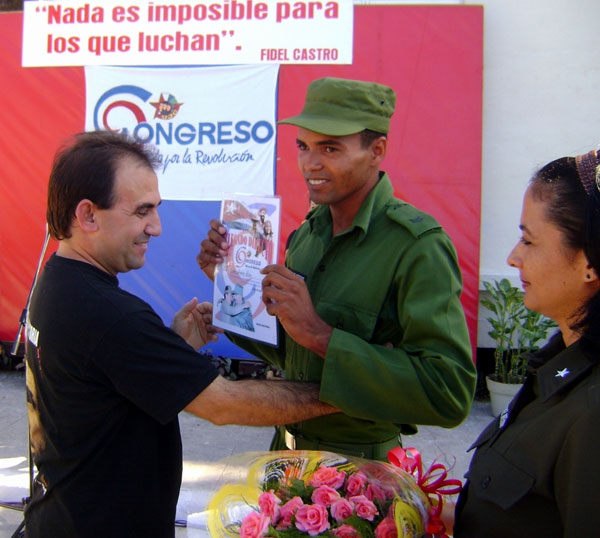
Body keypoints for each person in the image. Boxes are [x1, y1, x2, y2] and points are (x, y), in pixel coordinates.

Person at [24, 131, 337, 538]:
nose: (155, 226)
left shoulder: (58, 281)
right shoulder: (109, 315)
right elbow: (224, 406)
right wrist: (346, 393)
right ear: (88, 216)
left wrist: (172, 350)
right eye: (142, 211)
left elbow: (101, 383)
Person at [197, 77, 476, 461]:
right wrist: (228, 285)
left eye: (330, 147)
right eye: (303, 146)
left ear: (376, 150)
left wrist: (321, 334)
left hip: (362, 478)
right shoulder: (307, 236)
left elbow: (450, 392)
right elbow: (293, 355)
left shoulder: (416, 246)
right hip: (285, 460)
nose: (310, 163)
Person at [453, 149, 600, 537]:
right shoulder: (557, 365)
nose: (513, 257)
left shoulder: (592, 413)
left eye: (529, 241)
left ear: (590, 263)